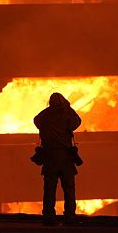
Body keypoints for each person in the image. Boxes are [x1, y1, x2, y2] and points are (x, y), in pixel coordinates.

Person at [33, 92, 82, 226]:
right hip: (66, 158)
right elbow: (77, 122)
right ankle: (70, 218)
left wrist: (48, 110)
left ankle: (48, 217)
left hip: (50, 158)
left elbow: (36, 120)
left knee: (49, 190)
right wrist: (68, 108)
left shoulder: (44, 116)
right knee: (69, 190)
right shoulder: (67, 115)